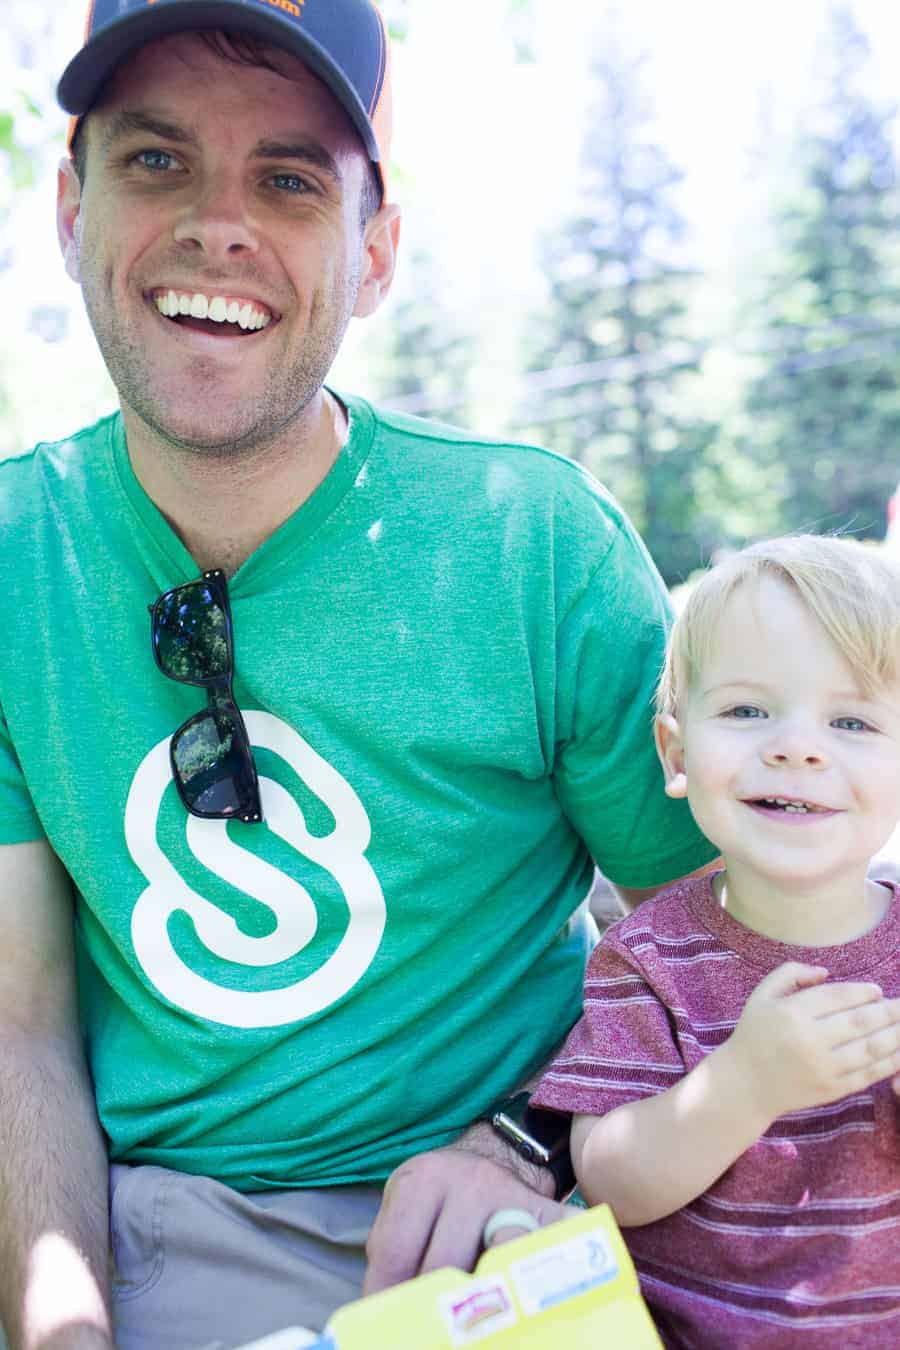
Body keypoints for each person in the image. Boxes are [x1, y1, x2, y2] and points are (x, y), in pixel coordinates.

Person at [0, 2, 719, 1347]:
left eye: (287, 178)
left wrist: (532, 1133)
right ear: (68, 207)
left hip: (520, 1227)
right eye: (156, 161)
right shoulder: (10, 560)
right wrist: (65, 1329)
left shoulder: (533, 544)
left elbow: (726, 933)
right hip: (173, 1230)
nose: (220, 224)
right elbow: (16, 1029)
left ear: (376, 251)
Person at [532, 534, 900, 1348]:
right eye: (746, 711)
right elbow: (608, 1184)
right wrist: (743, 1086)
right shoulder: (650, 958)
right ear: (676, 755)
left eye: (850, 720)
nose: (796, 746)